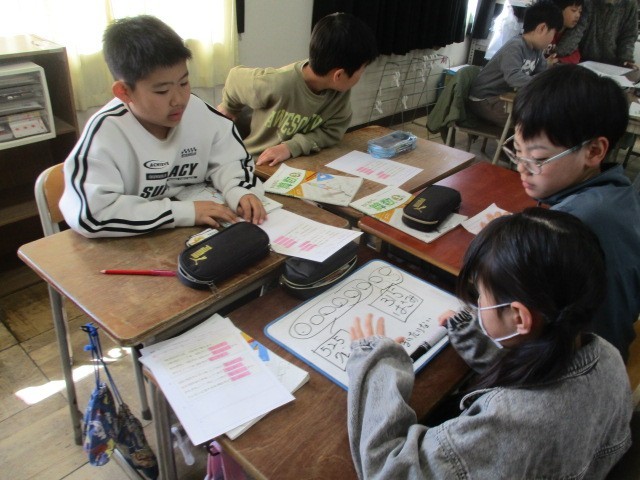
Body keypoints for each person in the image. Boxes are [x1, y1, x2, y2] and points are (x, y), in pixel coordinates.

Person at [347, 207, 633, 478]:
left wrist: (376, 363)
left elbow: (388, 471)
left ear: (519, 317)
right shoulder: (607, 355)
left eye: (481, 293)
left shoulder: (507, 423)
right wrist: (472, 336)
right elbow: (538, 367)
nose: (478, 303)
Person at [60, 15, 266, 238]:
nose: (179, 100)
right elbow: (91, 214)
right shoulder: (105, 134)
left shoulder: (198, 112)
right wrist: (183, 212)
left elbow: (230, 159)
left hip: (195, 232)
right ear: (124, 92)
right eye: (162, 91)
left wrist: (239, 190)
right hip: (134, 242)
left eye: (184, 82)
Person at [508, 64, 640, 361]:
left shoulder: (573, 223)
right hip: (611, 341)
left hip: (583, 361)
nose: (521, 168)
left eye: (538, 158)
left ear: (593, 151)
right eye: (517, 151)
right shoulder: (617, 190)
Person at [217, 12, 378, 166]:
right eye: (362, 70)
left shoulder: (339, 93)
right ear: (339, 75)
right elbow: (234, 78)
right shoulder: (278, 83)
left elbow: (332, 132)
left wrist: (291, 147)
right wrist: (229, 107)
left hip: (296, 162)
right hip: (255, 164)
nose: (361, 76)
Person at [468, 0, 563, 126]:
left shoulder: (537, 50)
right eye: (553, 34)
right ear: (542, 28)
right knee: (536, 119)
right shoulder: (515, 46)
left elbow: (542, 74)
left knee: (544, 113)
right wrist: (542, 84)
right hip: (484, 100)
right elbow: (513, 78)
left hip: (503, 98)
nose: (552, 40)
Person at [556, 0, 638, 68]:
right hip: (584, 61)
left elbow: (628, 36)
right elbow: (576, 31)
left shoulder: (630, 4)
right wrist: (557, 53)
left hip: (613, 65)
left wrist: (626, 59)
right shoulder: (588, 2)